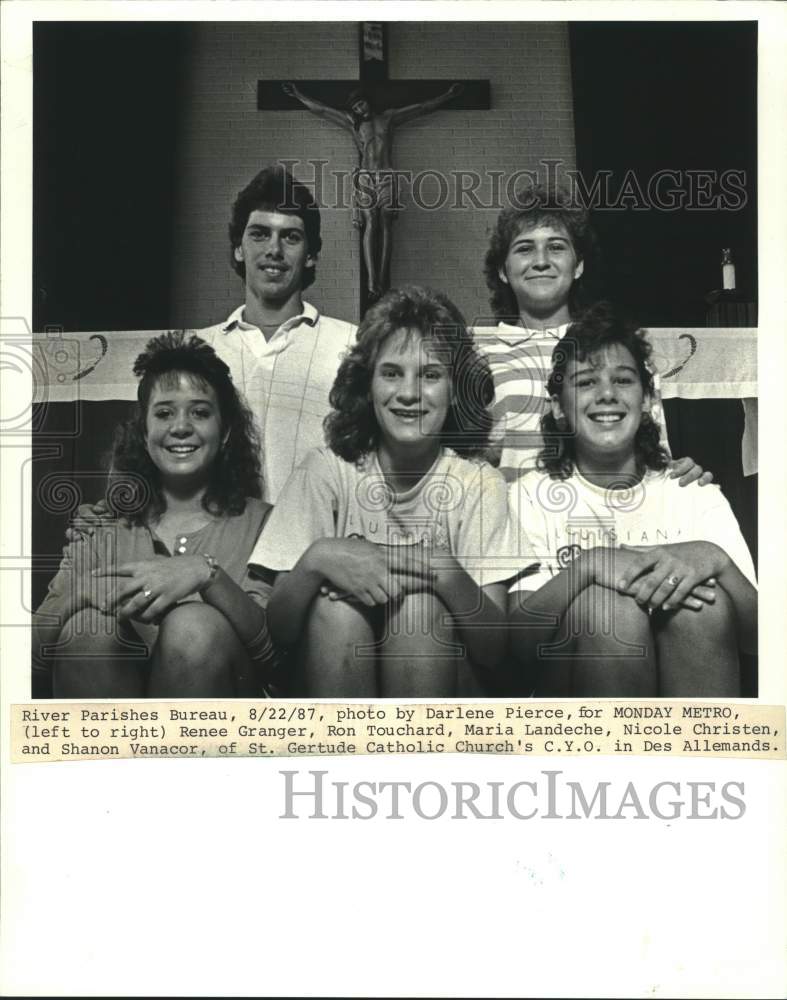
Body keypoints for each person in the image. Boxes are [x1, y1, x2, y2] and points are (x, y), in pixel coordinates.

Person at [251, 286, 521, 697]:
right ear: (367, 384)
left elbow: (494, 650)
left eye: (430, 375)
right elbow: (277, 637)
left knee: (417, 610)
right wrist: (318, 559)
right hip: (332, 664)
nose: (409, 393)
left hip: (443, 678)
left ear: (456, 388)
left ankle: (413, 759)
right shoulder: (326, 469)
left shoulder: (477, 481)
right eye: (391, 372)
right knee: (334, 608)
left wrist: (442, 571)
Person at [508, 304, 757, 697]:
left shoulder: (690, 491)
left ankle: (696, 754)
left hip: (691, 694)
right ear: (558, 407)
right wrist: (590, 566)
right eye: (586, 382)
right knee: (607, 611)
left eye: (623, 380)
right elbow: (514, 647)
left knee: (701, 607)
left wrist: (717, 559)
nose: (607, 394)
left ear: (645, 401)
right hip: (575, 714)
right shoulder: (531, 496)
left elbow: (760, 641)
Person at [33, 333, 277, 698]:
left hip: (218, 736)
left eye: (200, 412)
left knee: (194, 625)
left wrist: (206, 575)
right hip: (117, 736)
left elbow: (276, 659)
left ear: (225, 431)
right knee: (88, 627)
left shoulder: (264, 524)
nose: (180, 427)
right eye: (164, 413)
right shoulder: (101, 527)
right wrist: (83, 593)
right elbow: (28, 658)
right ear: (144, 433)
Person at [475, 182, 711, 488]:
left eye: (557, 247)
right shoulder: (478, 353)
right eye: (524, 248)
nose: (541, 260)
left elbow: (654, 453)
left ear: (578, 265)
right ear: (503, 271)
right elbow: (463, 462)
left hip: (606, 520)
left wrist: (682, 473)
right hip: (514, 521)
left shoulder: (620, 347)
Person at [198, 163, 357, 503]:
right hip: (219, 544)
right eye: (259, 234)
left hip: (319, 544)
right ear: (239, 248)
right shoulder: (199, 349)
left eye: (291, 236)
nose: (274, 249)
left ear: (311, 255)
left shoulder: (351, 345)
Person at [282, 81, 463, 297]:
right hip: (366, 177)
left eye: (362, 104)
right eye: (356, 107)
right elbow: (322, 110)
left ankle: (383, 277)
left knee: (385, 224)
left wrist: (447, 95)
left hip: (386, 175)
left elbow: (421, 108)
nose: (360, 109)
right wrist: (298, 95)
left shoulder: (388, 118)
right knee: (370, 223)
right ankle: (371, 280)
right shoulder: (353, 124)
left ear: (368, 102)